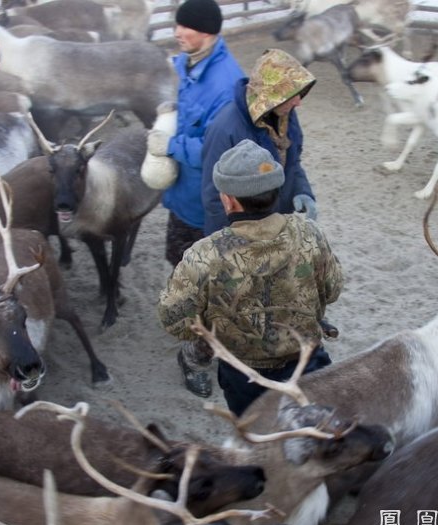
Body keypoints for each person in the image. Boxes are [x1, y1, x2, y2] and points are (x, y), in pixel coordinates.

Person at [157, 139, 343, 416]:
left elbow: (174, 321)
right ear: (276, 190)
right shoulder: (309, 233)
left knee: (259, 445)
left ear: (228, 200)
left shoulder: (205, 255)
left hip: (244, 377)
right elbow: (333, 289)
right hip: (308, 367)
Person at [146, 0, 245, 398]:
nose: (177, 32)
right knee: (180, 265)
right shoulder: (188, 66)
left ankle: (194, 356)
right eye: (177, 25)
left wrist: (171, 143)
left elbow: (217, 148)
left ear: (207, 31)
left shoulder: (226, 83)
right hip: (184, 198)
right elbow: (195, 119)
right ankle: (188, 319)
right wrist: (172, 112)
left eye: (185, 27)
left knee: (213, 288)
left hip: (211, 205)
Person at [201, 48, 318, 237]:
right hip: (245, 238)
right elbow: (215, 198)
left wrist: (302, 190)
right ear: (270, 94)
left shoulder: (285, 115)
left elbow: (293, 162)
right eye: (292, 94)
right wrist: (228, 247)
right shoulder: (225, 129)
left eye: (300, 92)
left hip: (276, 228)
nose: (298, 102)